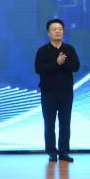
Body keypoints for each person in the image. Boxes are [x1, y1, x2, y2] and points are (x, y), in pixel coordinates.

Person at [34, 19, 80, 162]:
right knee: (49, 123)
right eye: (54, 29)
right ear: (48, 33)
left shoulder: (69, 49)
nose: (58, 31)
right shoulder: (42, 51)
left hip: (66, 92)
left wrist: (64, 62)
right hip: (48, 92)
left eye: (60, 29)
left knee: (65, 123)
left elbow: (76, 66)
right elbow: (38, 69)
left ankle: (64, 152)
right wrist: (56, 63)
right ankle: (51, 152)